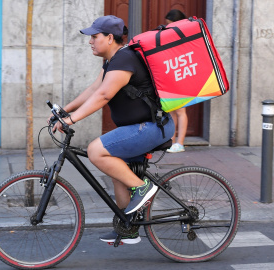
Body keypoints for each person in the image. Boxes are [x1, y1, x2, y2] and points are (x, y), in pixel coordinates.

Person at [51, 15, 174, 244]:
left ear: (109, 38)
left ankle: (143, 187)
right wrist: (64, 111)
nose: (90, 41)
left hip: (151, 127)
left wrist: (72, 120)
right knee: (117, 171)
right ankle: (129, 229)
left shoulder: (125, 59)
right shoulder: (112, 61)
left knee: (96, 151)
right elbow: (94, 89)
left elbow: (104, 95)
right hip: (139, 127)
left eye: (94, 37)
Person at [164, 9, 188, 153]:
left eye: (169, 24)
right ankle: (173, 141)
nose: (167, 27)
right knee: (173, 110)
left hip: (182, 75)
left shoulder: (183, 35)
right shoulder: (175, 36)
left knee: (180, 110)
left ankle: (180, 143)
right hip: (174, 75)